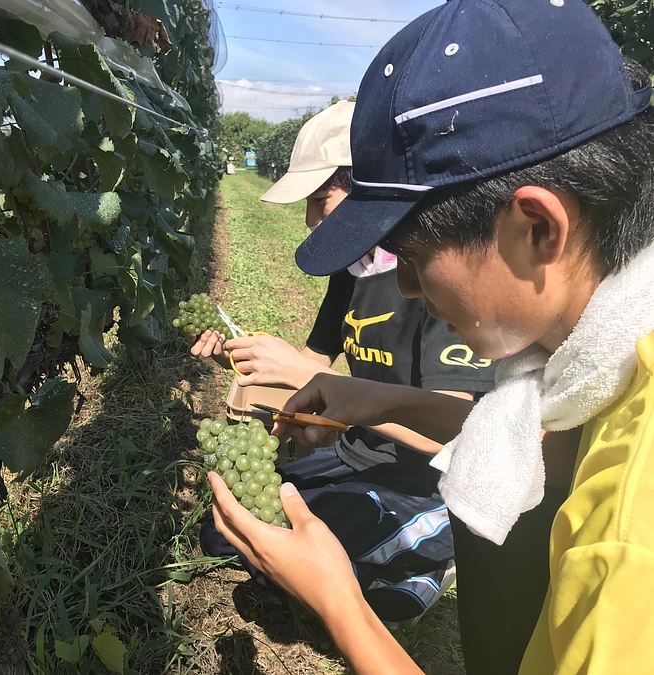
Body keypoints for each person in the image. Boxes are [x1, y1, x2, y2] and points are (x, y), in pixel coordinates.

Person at [209, 0, 654, 673]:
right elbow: (542, 449)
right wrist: (376, 401)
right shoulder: (596, 362)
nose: (407, 286)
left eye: (414, 259)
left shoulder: (629, 538)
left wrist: (341, 604)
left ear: (537, 228)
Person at [195, 101, 497, 622]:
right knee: (226, 533)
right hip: (358, 454)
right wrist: (240, 358)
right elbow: (311, 371)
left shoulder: (438, 281)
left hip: (426, 479)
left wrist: (314, 378)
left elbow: (462, 435)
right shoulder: (352, 270)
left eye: (320, 198)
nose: (311, 219)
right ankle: (382, 549)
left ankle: (431, 547)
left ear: (369, 187)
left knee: (311, 566)